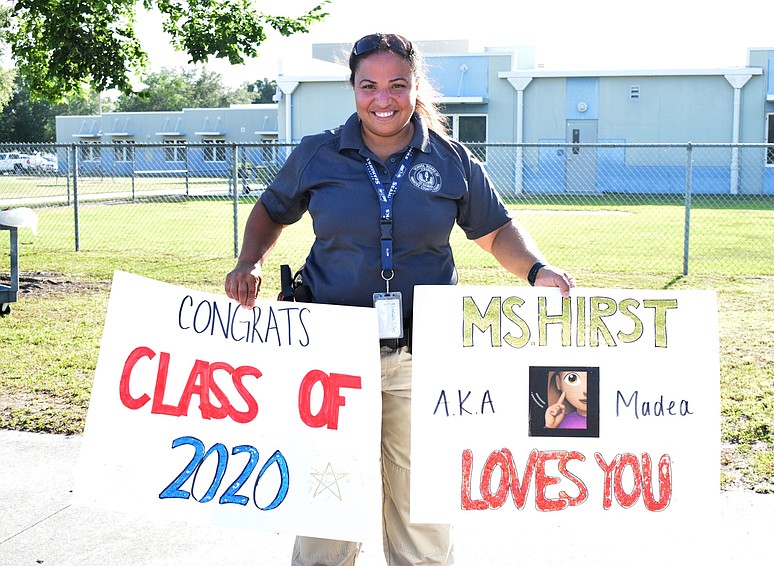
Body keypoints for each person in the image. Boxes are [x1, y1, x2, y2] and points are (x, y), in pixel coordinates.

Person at [225, 32, 575, 566]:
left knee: (422, 507)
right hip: (334, 357)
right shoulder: (318, 153)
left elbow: (494, 230)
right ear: (353, 89)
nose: (382, 98)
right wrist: (249, 261)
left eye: (397, 85)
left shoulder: (452, 158)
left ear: (416, 88)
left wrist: (536, 269)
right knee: (329, 498)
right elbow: (271, 209)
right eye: (369, 85)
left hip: (423, 355)